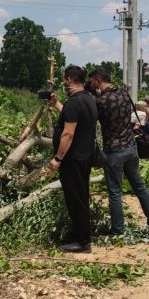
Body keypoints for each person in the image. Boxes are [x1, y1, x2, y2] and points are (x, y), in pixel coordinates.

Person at [88, 68, 149, 235]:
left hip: (114, 151)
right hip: (131, 146)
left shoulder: (101, 102)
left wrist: (90, 95)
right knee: (139, 186)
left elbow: (89, 119)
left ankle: (118, 230)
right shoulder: (123, 93)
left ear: (97, 80)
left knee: (114, 192)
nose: (91, 86)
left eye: (91, 83)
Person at [47, 66, 98, 253]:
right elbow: (74, 118)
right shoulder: (87, 99)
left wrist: (57, 159)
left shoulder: (74, 102)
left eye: (64, 80)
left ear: (68, 79)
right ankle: (78, 235)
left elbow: (68, 133)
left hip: (73, 159)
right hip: (84, 157)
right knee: (80, 196)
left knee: (76, 199)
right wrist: (58, 105)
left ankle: (83, 242)